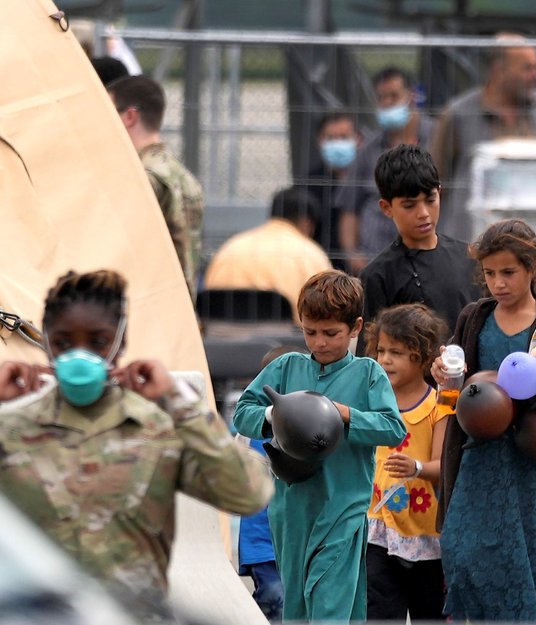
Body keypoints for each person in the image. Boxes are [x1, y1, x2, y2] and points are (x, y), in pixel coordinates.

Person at [0, 269, 273, 618]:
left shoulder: (157, 429)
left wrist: (182, 405)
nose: (80, 355)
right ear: (46, 340)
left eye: (98, 341)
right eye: (65, 342)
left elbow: (247, 493)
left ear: (121, 343)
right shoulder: (13, 429)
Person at [433, 218, 536, 621]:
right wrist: (443, 380)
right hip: (480, 458)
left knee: (529, 560)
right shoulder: (474, 319)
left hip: (534, 467)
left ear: (531, 269)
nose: (498, 283)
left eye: (508, 272)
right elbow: (458, 395)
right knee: (465, 552)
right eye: (489, 274)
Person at [232, 269, 406, 622]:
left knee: (329, 602)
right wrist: (276, 413)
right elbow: (242, 414)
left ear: (355, 327)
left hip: (343, 509)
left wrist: (345, 416)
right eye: (310, 332)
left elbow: (392, 428)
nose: (319, 343)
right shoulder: (285, 368)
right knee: (295, 605)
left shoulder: (368, 374)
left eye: (331, 333)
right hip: (292, 509)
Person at [362, 303, 450, 620]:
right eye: (381, 350)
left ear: (424, 357)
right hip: (378, 533)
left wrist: (416, 468)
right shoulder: (370, 403)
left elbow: (444, 468)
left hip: (427, 539)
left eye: (396, 352)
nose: (385, 359)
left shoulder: (438, 406)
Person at [430, 32, 536, 240]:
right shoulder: (459, 114)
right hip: (472, 242)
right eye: (528, 68)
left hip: (531, 242)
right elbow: (434, 182)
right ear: (499, 71)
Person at [358, 144, 482, 341]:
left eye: (430, 200)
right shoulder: (379, 275)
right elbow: (374, 357)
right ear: (386, 207)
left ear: (439, 193)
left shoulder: (469, 257)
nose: (423, 213)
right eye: (409, 205)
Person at [107, 76, 204, 297]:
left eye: (108, 114)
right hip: (180, 306)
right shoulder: (182, 175)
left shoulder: (140, 178)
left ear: (130, 116)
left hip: (147, 304)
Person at [336, 67, 439, 274]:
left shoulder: (437, 138)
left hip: (429, 260)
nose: (387, 103)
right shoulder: (368, 150)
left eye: (393, 96)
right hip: (376, 261)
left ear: (412, 96)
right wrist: (352, 255)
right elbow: (349, 207)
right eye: (381, 97)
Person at [235, 345, 305, 622]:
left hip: (297, 538)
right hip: (261, 539)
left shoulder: (310, 429)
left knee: (295, 602)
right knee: (274, 596)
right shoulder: (249, 431)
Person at [203, 186, 332, 318]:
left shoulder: (231, 247)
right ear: (306, 223)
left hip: (220, 334)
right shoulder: (311, 255)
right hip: (282, 337)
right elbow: (327, 311)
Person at [296, 111, 360, 272]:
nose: (338, 144)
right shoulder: (307, 185)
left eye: (344, 137)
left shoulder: (370, 181)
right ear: (319, 141)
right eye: (330, 138)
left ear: (358, 139)